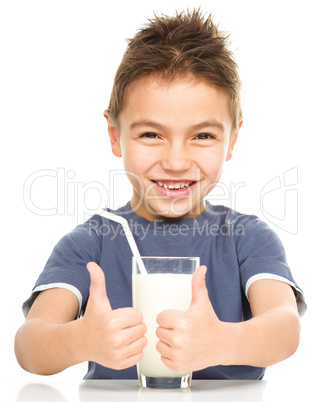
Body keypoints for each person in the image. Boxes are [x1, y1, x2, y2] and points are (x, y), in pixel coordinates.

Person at [15, 8, 306, 380]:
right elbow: (29, 345)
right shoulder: (93, 241)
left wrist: (224, 341)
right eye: (151, 134)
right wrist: (80, 341)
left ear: (231, 141)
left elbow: (284, 328)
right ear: (115, 135)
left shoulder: (246, 238)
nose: (176, 161)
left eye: (203, 136)